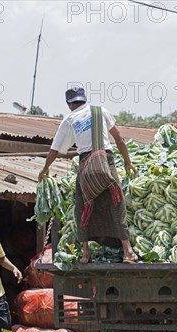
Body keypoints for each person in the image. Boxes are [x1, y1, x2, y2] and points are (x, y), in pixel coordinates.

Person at [38, 87, 138, 265]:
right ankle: (128, 251)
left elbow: (54, 149)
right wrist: (128, 162)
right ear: (84, 99)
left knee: (83, 208)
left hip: (86, 164)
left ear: (69, 104)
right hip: (105, 161)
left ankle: (85, 253)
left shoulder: (69, 119)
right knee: (116, 204)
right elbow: (119, 139)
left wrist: (45, 168)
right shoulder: (101, 111)